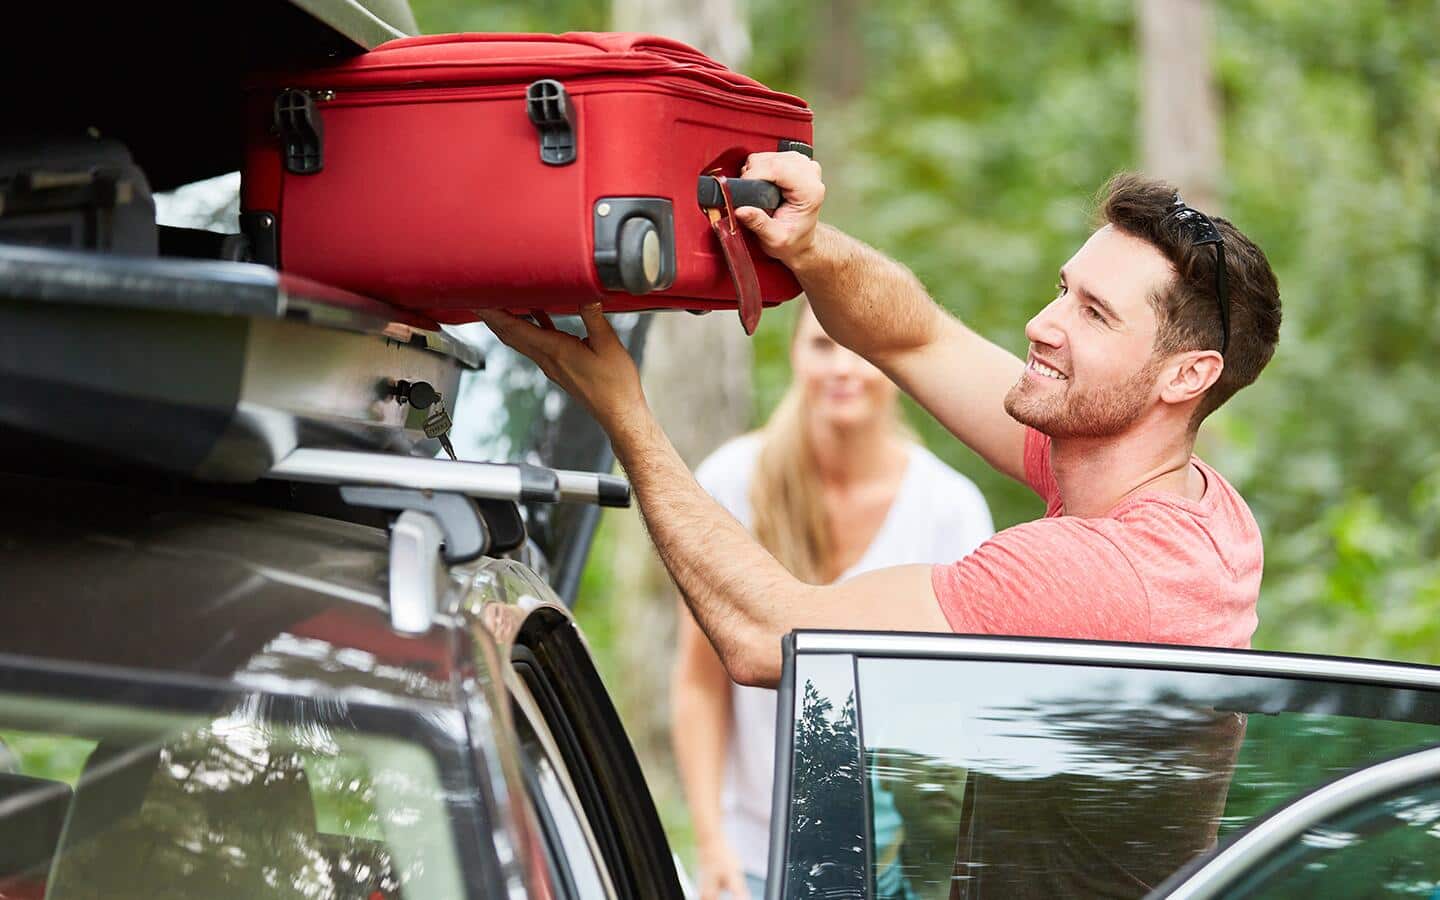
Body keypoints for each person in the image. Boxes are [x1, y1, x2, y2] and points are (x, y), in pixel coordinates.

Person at [476, 160, 1282, 692]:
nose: (1042, 325)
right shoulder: (1189, 501)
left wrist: (622, 410)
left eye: (1095, 314)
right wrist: (807, 245)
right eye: (1063, 290)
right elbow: (915, 337)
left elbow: (769, 637)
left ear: (1188, 376)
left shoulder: (1104, 576)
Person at [672, 300, 993, 900]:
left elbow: (962, 714)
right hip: (752, 855)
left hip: (890, 863)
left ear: (894, 362)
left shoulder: (950, 509)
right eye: (822, 345)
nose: (843, 367)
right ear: (795, 354)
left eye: (861, 348)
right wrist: (711, 844)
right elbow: (699, 683)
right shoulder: (731, 482)